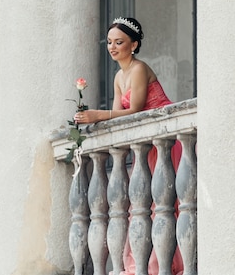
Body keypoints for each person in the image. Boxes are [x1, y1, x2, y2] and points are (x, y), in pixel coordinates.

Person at [73, 17, 183, 275]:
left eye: (119, 42)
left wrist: (97, 115)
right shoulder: (118, 76)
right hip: (144, 144)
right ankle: (140, 265)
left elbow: (134, 110)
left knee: (163, 202)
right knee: (138, 204)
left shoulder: (139, 69)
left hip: (163, 140)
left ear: (133, 45)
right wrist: (87, 122)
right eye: (109, 42)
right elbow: (116, 115)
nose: (112, 47)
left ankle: (162, 265)